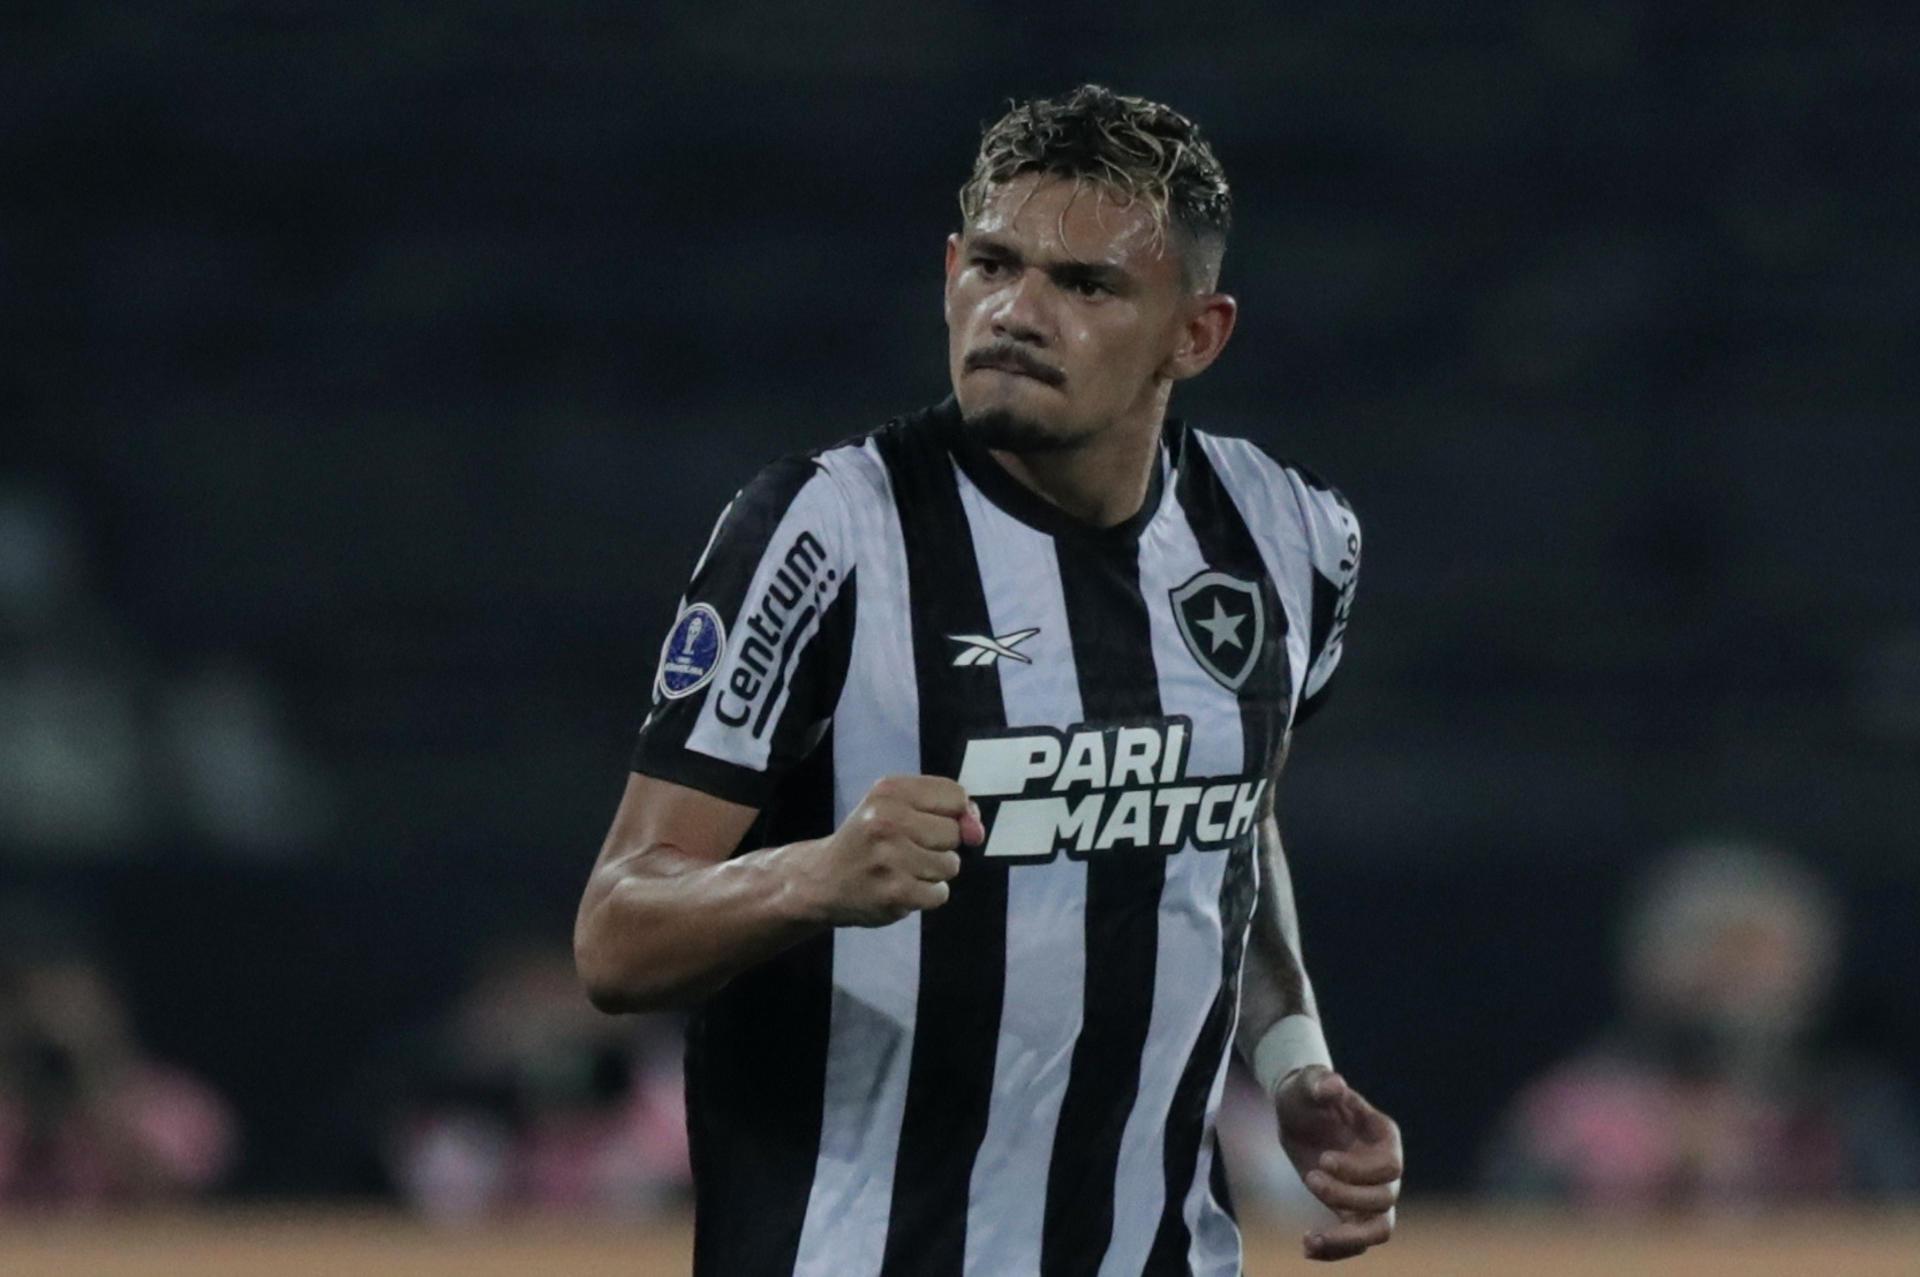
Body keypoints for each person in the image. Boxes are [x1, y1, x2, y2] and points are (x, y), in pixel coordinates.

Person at [575, 85, 1403, 1274]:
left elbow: (1233, 813)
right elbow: (615, 931)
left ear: (1197, 334)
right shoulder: (825, 533)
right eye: (996, 265)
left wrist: (1290, 1056)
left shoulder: (1293, 536)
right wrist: (814, 873)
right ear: (950, 268)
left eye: (1086, 285)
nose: (1017, 311)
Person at [1481, 840, 1920, 1209]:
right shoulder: (1570, 1117)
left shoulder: (1852, 1116)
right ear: (1655, 964)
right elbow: (1499, 1240)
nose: (1741, 978)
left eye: (1765, 955)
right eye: (1719, 951)